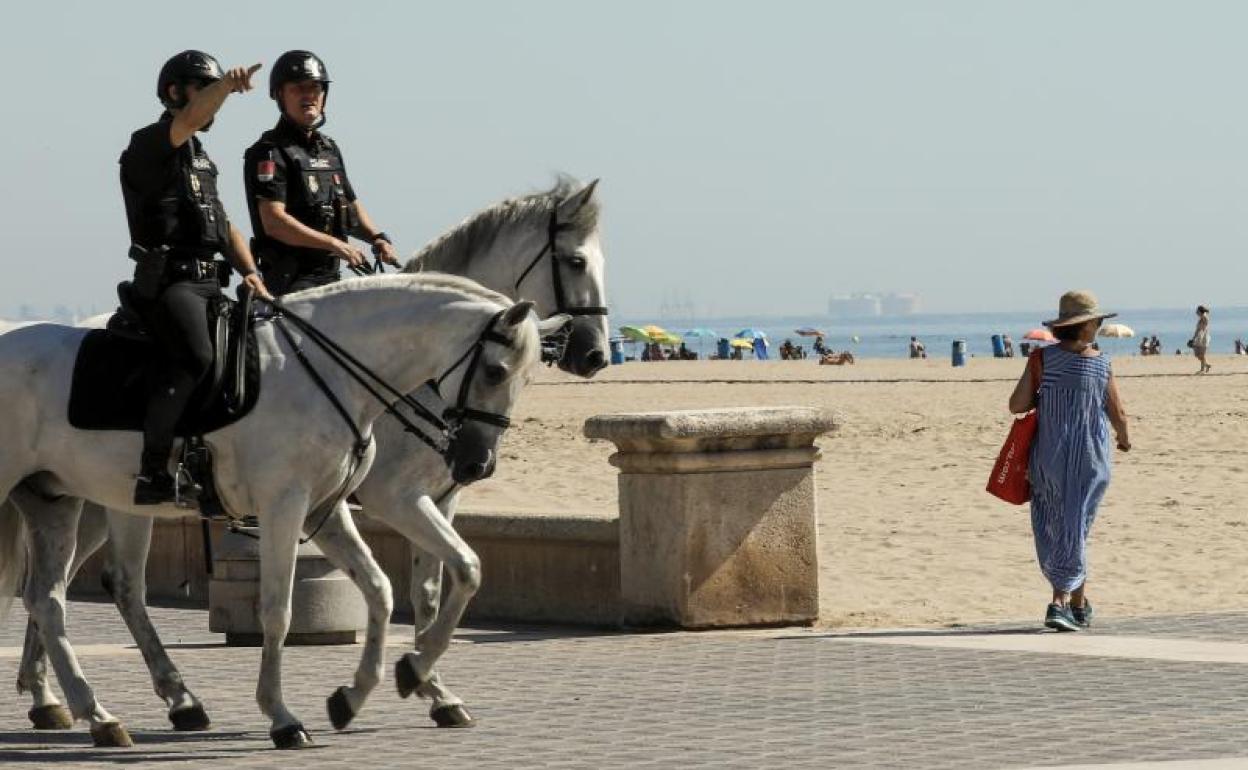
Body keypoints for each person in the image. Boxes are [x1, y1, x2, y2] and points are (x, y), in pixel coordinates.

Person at [121, 51, 272, 505]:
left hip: (213, 282)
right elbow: (192, 116)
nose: (212, 102)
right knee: (195, 357)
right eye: (200, 88)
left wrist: (252, 272)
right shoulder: (150, 143)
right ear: (174, 93)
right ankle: (153, 469)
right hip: (171, 283)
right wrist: (225, 84)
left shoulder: (201, 159)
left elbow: (224, 225)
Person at [1009, 290, 1129, 632]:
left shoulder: (1041, 360)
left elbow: (1016, 405)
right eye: (1097, 321)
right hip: (1090, 459)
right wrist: (1124, 439)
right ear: (1087, 325)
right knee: (1076, 527)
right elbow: (1118, 412)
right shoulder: (1101, 363)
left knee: (1062, 528)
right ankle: (1060, 602)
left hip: (1049, 458)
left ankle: (1078, 604)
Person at [243, 50, 398, 295]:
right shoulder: (270, 152)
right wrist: (335, 244)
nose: (308, 96)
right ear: (279, 95)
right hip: (291, 283)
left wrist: (377, 238)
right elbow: (274, 222)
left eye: (315, 88)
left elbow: (350, 207)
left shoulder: (329, 149)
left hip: (331, 278)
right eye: (298, 88)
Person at [1190, 305, 1211, 374]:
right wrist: (1193, 337)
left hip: (1203, 337)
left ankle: (1203, 369)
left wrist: (1204, 312)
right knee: (1197, 354)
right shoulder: (1201, 319)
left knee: (1202, 354)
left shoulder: (1205, 317)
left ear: (1200, 311)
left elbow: (1204, 328)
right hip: (1198, 337)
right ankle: (1206, 365)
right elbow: (1197, 330)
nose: (1196, 312)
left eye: (1197, 311)